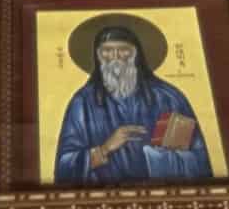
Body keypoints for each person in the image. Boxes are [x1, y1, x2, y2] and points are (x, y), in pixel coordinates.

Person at [54, 24, 212, 184]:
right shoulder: (82, 103)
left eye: (123, 50)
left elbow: (197, 159)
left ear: (136, 54)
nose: (115, 57)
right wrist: (105, 149)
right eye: (107, 51)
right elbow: (64, 167)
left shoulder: (168, 98)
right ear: (98, 56)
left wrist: (155, 156)